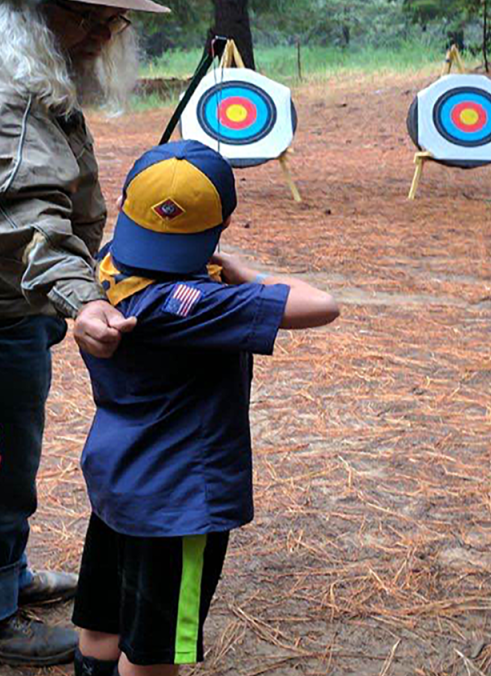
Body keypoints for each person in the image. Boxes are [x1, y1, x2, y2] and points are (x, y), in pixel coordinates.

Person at [0, 0, 170, 666]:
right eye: (79, 16)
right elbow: (22, 220)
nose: (97, 34)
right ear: (30, 6)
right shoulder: (6, 92)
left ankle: (4, 575)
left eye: (108, 19)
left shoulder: (7, 55)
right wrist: (81, 297)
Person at [69, 140, 340, 676]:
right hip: (179, 505)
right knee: (154, 657)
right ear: (222, 224)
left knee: (102, 629)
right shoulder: (195, 305)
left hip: (118, 484)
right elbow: (322, 305)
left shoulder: (103, 272)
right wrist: (247, 276)